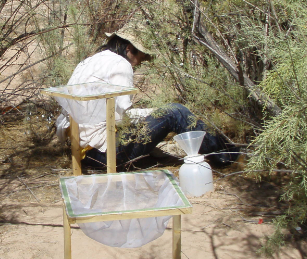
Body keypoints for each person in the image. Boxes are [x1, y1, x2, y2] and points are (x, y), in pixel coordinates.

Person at [55, 20, 238, 169]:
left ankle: (224, 151)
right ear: (129, 49)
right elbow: (122, 119)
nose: (140, 62)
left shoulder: (89, 61)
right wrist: (157, 114)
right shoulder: (120, 64)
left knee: (164, 114)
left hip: (83, 154)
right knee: (176, 112)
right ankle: (227, 156)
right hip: (105, 155)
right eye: (141, 56)